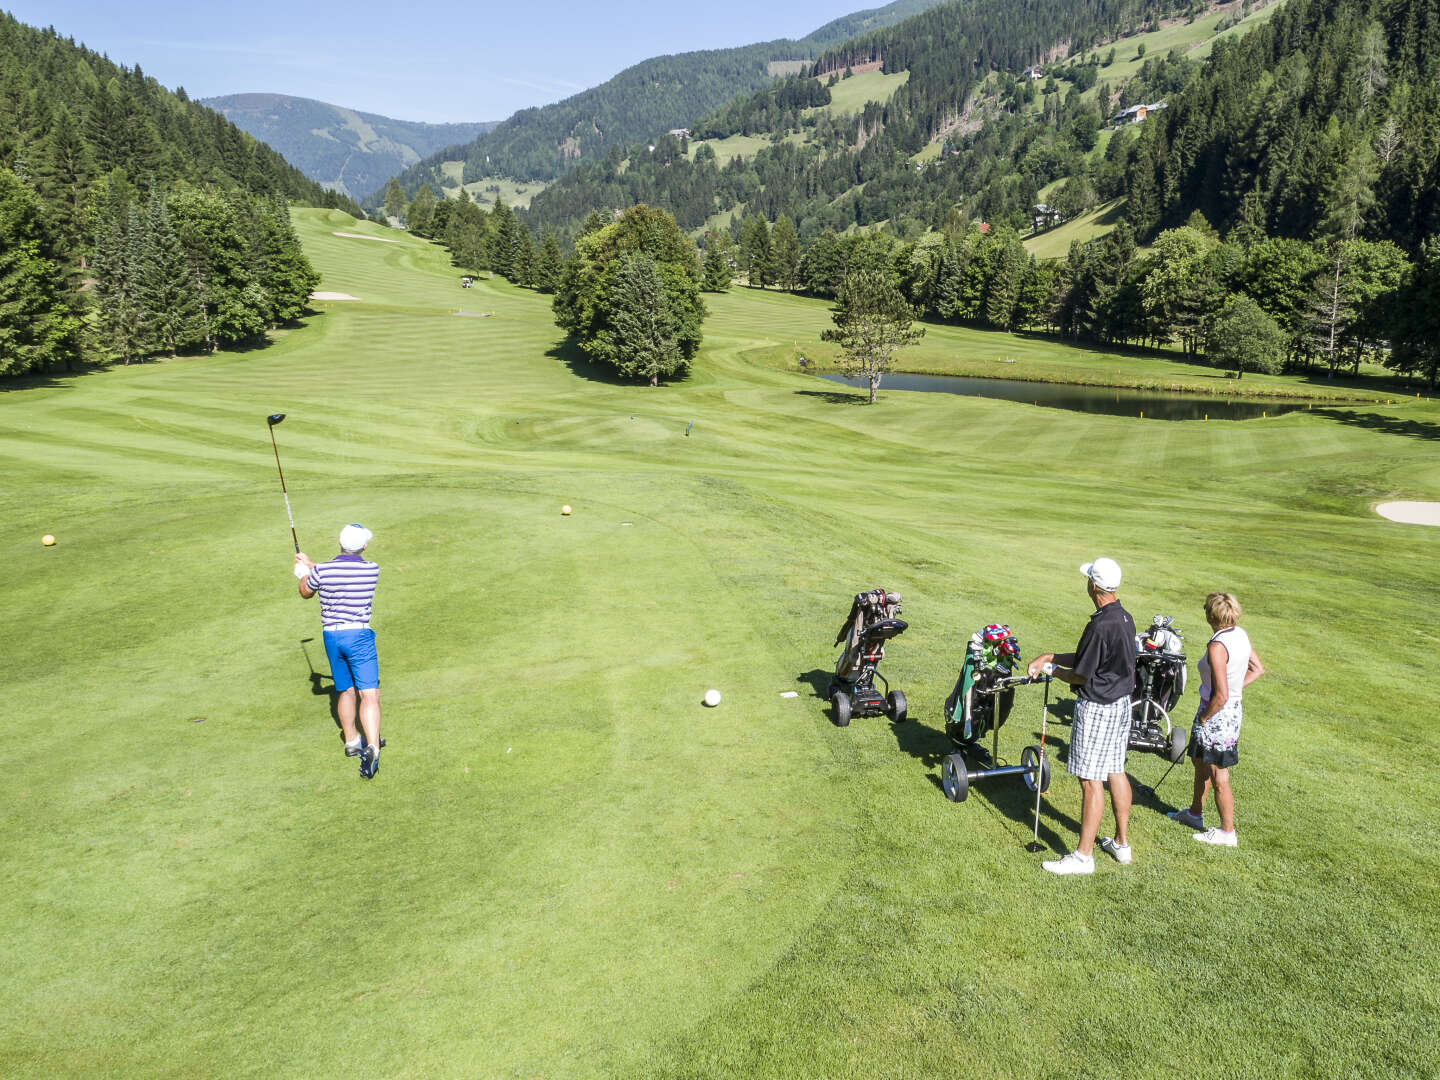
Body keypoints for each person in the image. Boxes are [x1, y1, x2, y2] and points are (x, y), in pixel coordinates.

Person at [1028, 558, 1138, 875]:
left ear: (1093, 585)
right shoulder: (1124, 617)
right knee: (1116, 770)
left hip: (1098, 708)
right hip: (1119, 706)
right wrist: (1049, 655)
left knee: (1091, 781)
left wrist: (1051, 669)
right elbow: (1091, 658)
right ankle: (1120, 843)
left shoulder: (1100, 624)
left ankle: (1083, 856)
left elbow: (1080, 675)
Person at [1168, 593, 1264, 846]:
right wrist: (1236, 692)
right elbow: (1258, 669)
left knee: (1219, 775)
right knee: (1200, 763)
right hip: (1225, 709)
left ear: (1211, 616)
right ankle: (1194, 814)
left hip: (1217, 713)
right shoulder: (1239, 634)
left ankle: (1227, 832)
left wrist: (1204, 716)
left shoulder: (1217, 646)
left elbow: (1220, 695)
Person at [295, 524, 383, 779]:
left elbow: (305, 592)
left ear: (340, 543)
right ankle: (373, 748)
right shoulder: (371, 569)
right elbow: (338, 572)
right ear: (364, 547)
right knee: (369, 693)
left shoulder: (323, 571)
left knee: (344, 689)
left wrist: (304, 571)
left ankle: (351, 741)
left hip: (332, 636)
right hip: (359, 635)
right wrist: (311, 566)